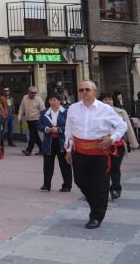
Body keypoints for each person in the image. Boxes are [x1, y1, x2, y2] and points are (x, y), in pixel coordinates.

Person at [65, 80, 127, 229]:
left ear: (95, 92)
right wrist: (68, 150)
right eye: (81, 90)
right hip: (79, 152)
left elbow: (122, 125)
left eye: (87, 89)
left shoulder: (105, 109)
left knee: (100, 186)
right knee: (80, 181)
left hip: (99, 152)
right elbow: (69, 130)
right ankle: (97, 204)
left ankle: (96, 216)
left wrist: (111, 139)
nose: (84, 92)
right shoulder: (73, 108)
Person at [100, 92, 138, 200]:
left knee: (115, 167)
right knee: (103, 168)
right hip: (102, 145)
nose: (108, 101)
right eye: (105, 99)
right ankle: (102, 190)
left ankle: (116, 188)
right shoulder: (96, 113)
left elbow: (128, 129)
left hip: (118, 145)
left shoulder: (121, 112)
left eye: (110, 99)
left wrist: (133, 143)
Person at [39, 93, 71, 192]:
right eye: (51, 100)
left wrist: (59, 129)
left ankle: (67, 185)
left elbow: (70, 126)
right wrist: (47, 129)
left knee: (64, 164)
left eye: (55, 100)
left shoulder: (65, 112)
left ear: (59, 101)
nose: (52, 102)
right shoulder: (44, 112)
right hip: (49, 142)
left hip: (62, 142)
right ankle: (46, 184)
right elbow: (39, 125)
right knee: (47, 165)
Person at [18, 86, 45, 156]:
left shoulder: (39, 99)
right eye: (32, 93)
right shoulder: (25, 97)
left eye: (35, 93)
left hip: (36, 120)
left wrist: (43, 121)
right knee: (35, 136)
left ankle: (28, 150)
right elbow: (21, 107)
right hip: (28, 120)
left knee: (32, 135)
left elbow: (43, 111)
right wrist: (19, 116)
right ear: (28, 92)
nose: (33, 94)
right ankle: (42, 149)